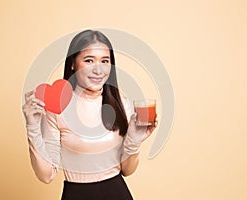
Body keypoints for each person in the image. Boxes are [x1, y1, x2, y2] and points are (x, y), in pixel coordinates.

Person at [22, 30, 157, 200]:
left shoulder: (122, 104)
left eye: (105, 61)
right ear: (73, 64)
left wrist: (134, 142)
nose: (98, 70)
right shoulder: (57, 108)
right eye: (89, 60)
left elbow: (127, 170)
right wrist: (32, 128)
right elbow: (46, 175)